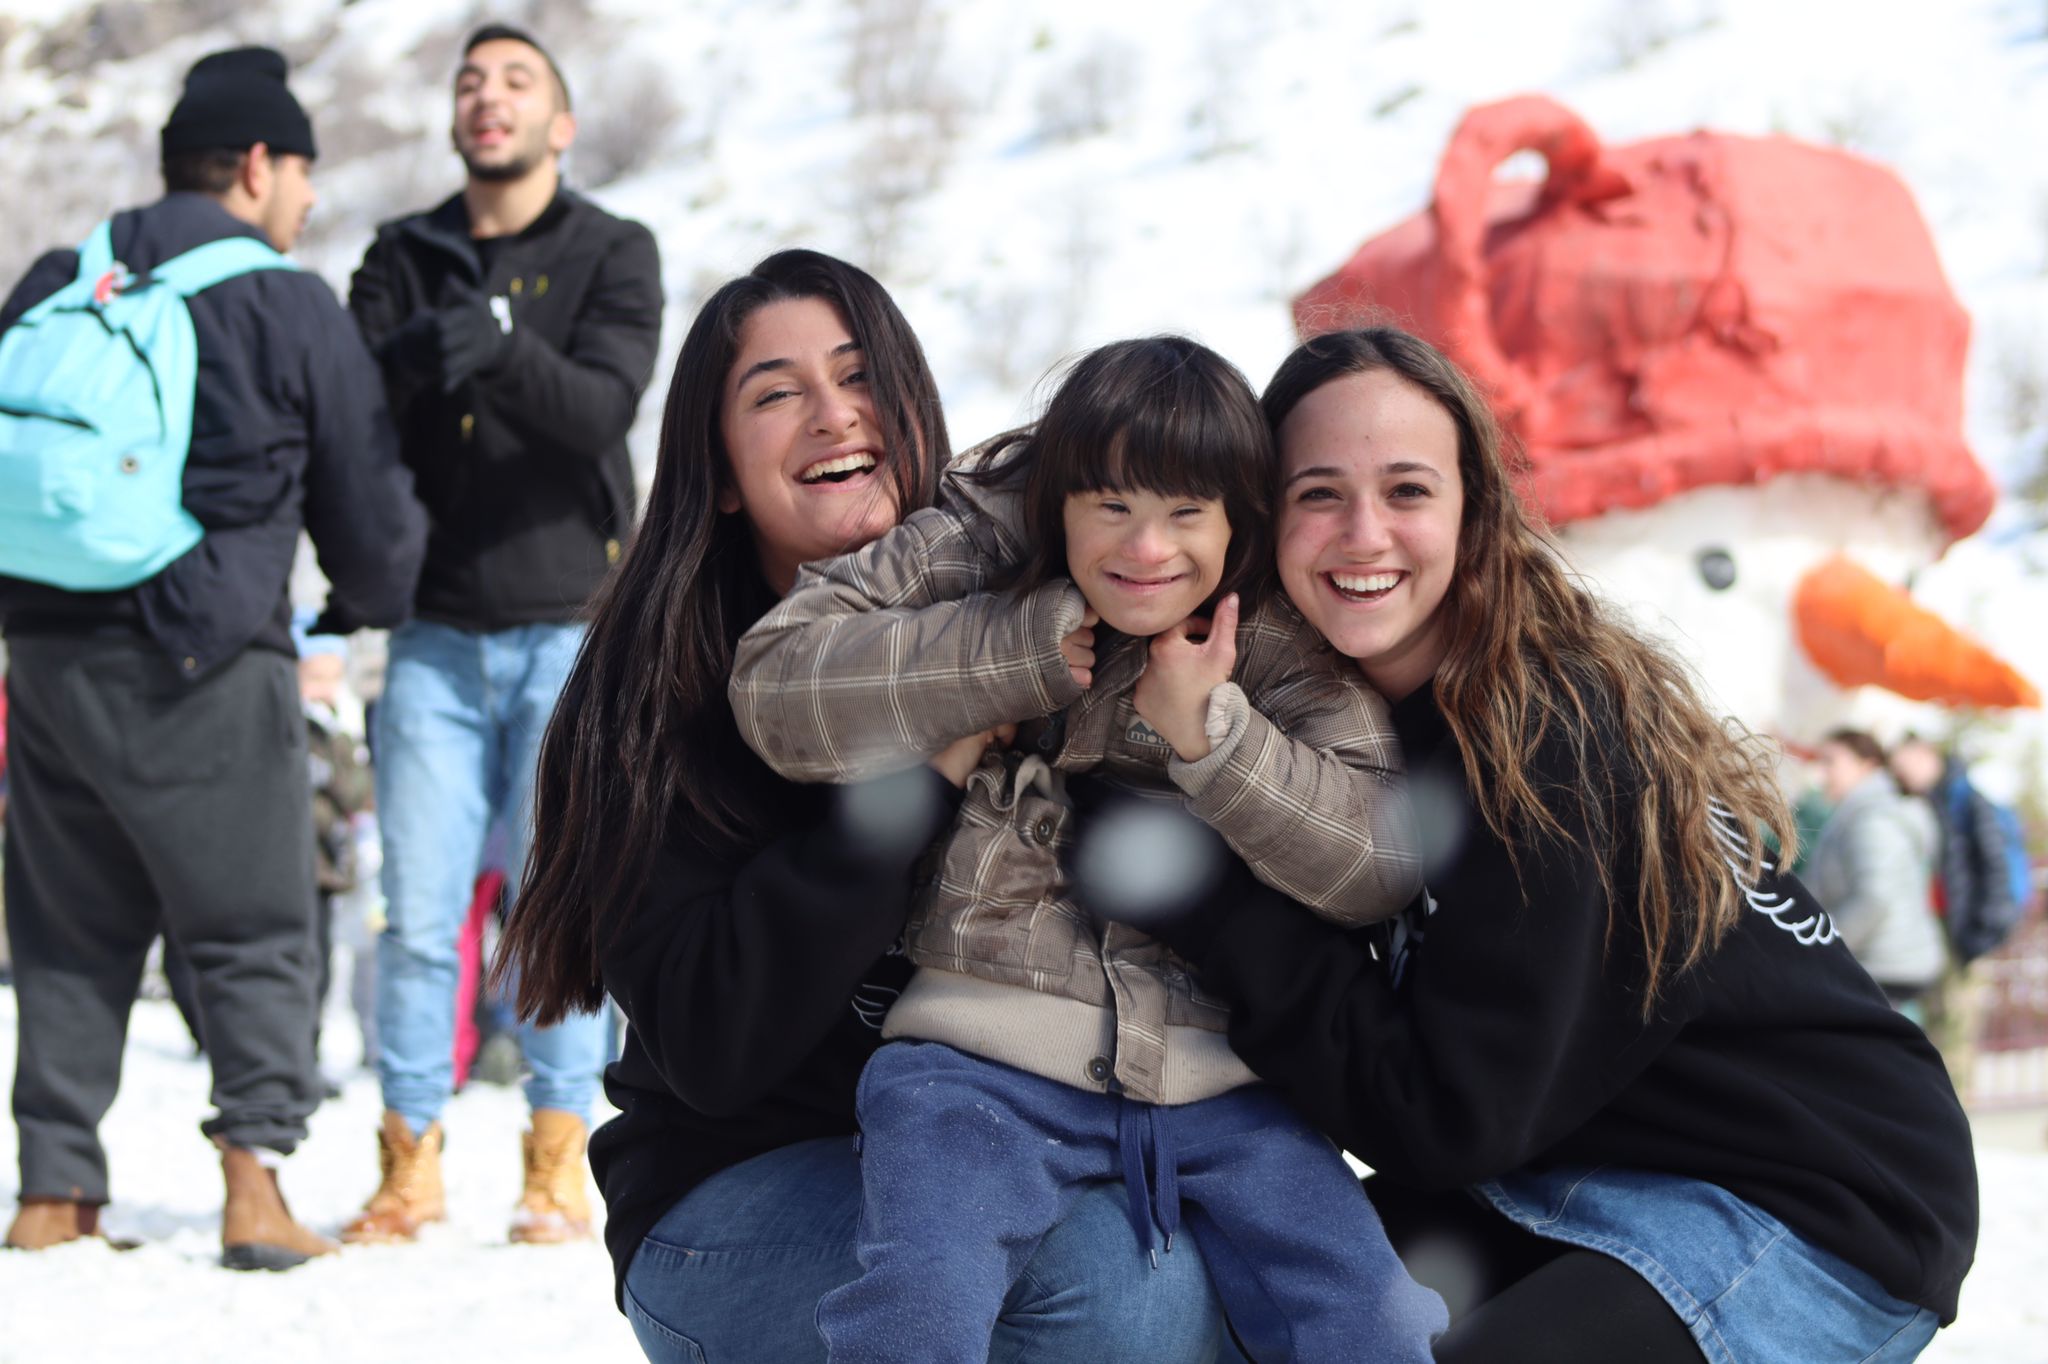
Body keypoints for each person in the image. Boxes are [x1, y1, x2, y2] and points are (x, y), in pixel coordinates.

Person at [1097, 328, 1977, 1363]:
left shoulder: (1544, 738)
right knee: (1210, 1293)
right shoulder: (1328, 718)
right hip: (1562, 1160)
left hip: (1806, 1192)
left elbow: (1442, 1114)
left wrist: (1198, 893)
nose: (1362, 532)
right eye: (1317, 492)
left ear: (1473, 514)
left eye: (1408, 490)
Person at [497, 250, 1231, 1363]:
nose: (834, 416)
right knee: (1104, 1277)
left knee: (1230, 1268)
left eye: (857, 376)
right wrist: (916, 778)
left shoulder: (1038, 608)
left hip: (1018, 1147)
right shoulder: (655, 689)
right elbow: (710, 1042)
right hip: (743, 1188)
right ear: (724, 468)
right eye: (776, 392)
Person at [728, 335, 1442, 1361]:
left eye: (1184, 513)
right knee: (914, 1303)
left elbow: (1377, 861)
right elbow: (774, 685)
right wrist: (1008, 650)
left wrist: (1214, 737)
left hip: (1223, 1088)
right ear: (1058, 499)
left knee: (1370, 1316)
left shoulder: (1278, 633)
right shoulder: (979, 546)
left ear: (1236, 517)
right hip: (978, 1063)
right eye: (1109, 505)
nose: (1145, 548)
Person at [0, 47, 425, 1268]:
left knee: (66, 924)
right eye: (300, 171)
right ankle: (254, 1187)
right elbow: (370, 508)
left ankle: (54, 1190)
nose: (302, 198)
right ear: (255, 164)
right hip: (200, 652)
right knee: (252, 921)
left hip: (45, 649)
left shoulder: (62, 273)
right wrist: (360, 602)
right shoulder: (283, 298)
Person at [343, 22, 663, 1246]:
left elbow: (604, 406)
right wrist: (423, 356)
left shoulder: (612, 251)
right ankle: (407, 1163)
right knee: (419, 910)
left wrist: (498, 348)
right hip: (429, 627)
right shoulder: (400, 253)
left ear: (560, 123)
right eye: (470, 81)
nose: (488, 98)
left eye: (516, 82)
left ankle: (555, 1160)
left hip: (569, 630)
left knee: (556, 906)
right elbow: (352, 413)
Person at [1807, 729, 1947, 1013]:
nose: (1822, 773)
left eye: (1831, 761)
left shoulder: (1871, 820)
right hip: (1887, 962)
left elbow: (1874, 899)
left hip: (1883, 966)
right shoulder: (1865, 812)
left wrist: (1817, 947)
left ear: (1866, 765)